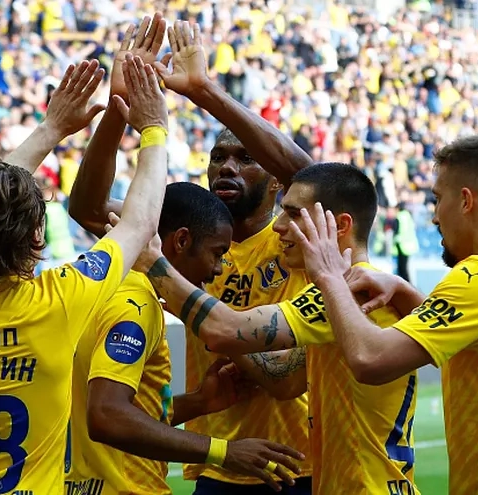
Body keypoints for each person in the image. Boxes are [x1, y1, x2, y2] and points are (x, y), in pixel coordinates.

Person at [68, 19, 315, 494]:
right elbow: (88, 208)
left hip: (295, 462)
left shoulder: (296, 239)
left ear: (276, 179)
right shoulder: (179, 237)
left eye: (245, 158)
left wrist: (203, 91)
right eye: (218, 157)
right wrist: (119, 107)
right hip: (216, 464)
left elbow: (316, 176)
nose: (227, 167)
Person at [285, 133, 478, 494]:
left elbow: (370, 359)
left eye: (437, 199)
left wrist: (329, 276)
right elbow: (475, 336)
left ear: (465, 200)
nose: (434, 216)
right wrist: (403, 290)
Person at [0, 57, 170, 495]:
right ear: (36, 236)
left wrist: (52, 127)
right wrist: (155, 128)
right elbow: (139, 224)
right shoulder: (58, 300)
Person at [138, 163, 420, 494]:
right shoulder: (360, 292)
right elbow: (284, 379)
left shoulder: (348, 293)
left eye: (294, 214)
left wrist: (153, 261)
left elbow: (225, 329)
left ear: (341, 225)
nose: (279, 225)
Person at [66, 184, 305, 495]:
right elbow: (105, 415)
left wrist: (199, 402)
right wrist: (224, 451)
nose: (217, 270)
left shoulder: (109, 290)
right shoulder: (135, 305)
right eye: (217, 254)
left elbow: (119, 412)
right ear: (181, 240)